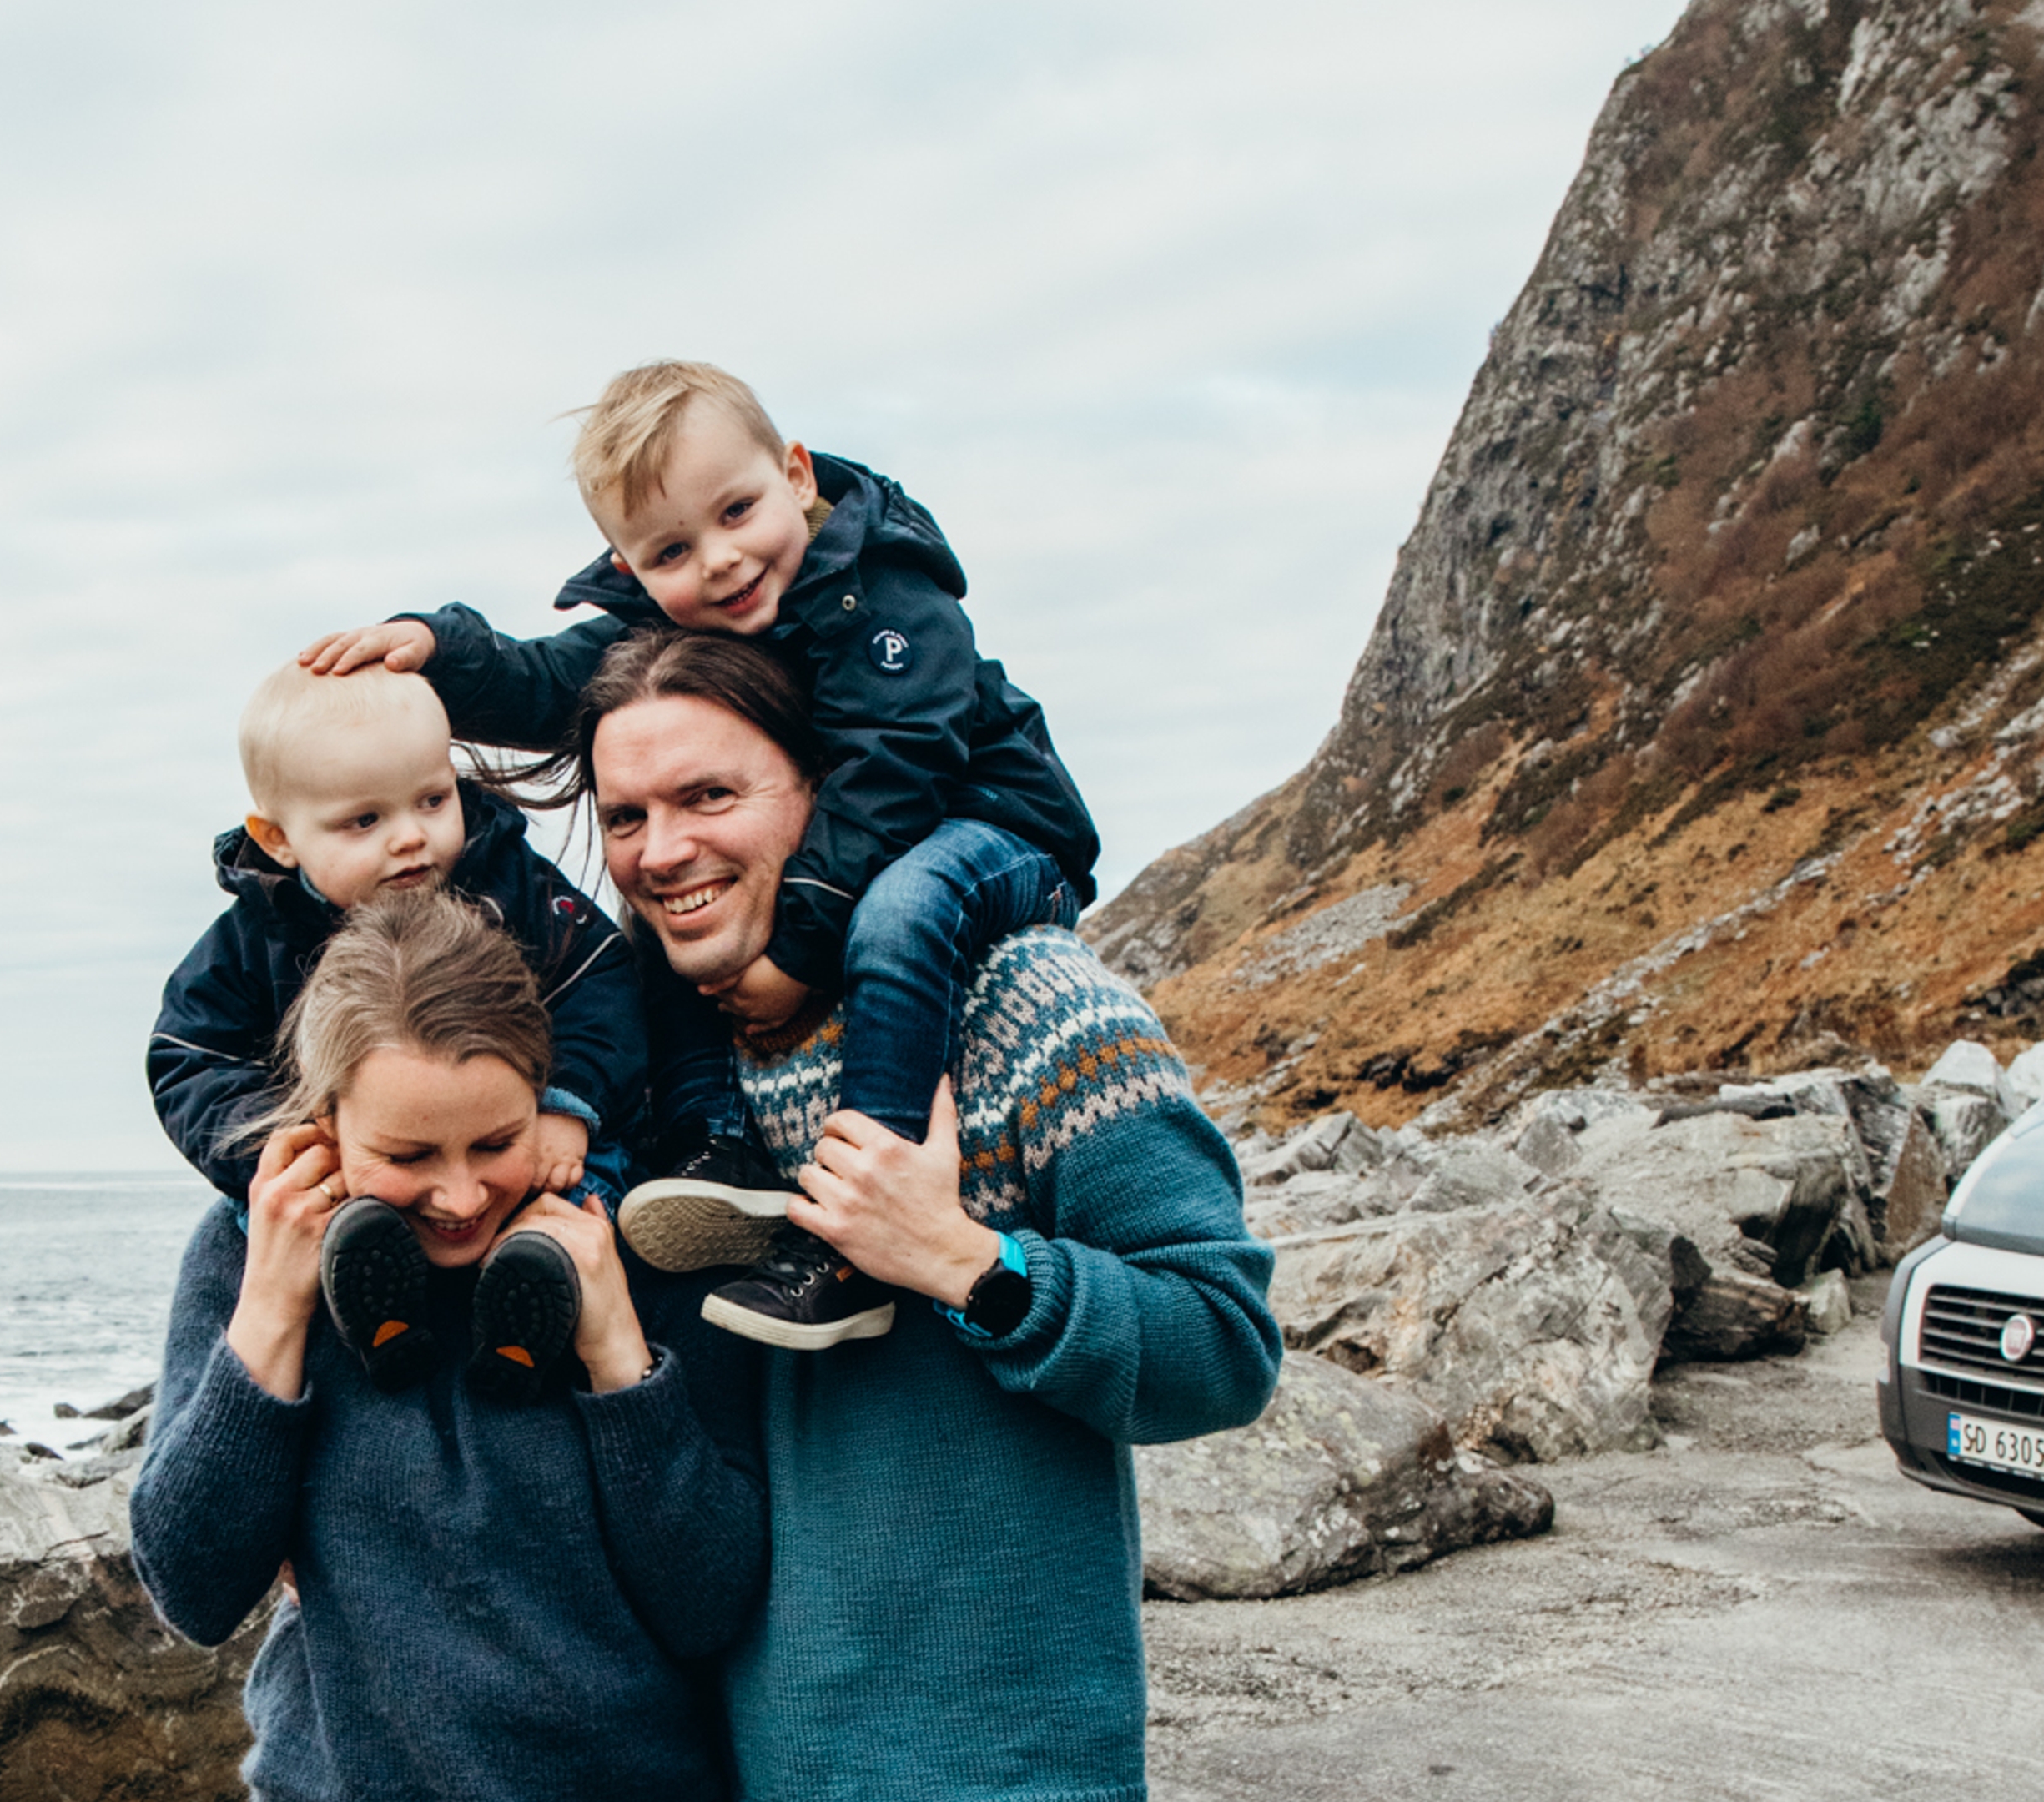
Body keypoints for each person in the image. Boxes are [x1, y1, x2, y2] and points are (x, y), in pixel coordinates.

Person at [571, 627, 1281, 1802]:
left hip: (1006, 1766)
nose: (663, 850)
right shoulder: (653, 1079)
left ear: (824, 785)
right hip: (748, 1761)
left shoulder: (1028, 1003)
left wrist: (963, 1262)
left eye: (709, 796)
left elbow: (1224, 1348)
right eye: (627, 815)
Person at [301, 360, 1099, 1352]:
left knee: (903, 907)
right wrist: (437, 647)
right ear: (631, 571)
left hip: (1000, 824)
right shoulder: (693, 621)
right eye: (674, 548)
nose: (719, 562)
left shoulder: (883, 598)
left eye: (736, 512)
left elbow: (898, 766)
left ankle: (864, 1205)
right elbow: (548, 678)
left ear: (798, 475)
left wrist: (798, 955)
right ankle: (716, 1145)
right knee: (661, 943)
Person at [128, 890, 768, 1801]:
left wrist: (618, 1354)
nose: (462, 1197)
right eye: (409, 1156)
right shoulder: (248, 1252)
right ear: (326, 1123)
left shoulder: (638, 1242)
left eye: (497, 1142)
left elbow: (710, 1605)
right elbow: (193, 1593)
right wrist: (272, 1307)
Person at [143, 660, 644, 1400]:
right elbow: (189, 1056)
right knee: (281, 1215)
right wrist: (285, 1151)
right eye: (366, 820)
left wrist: (563, 1105)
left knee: (591, 1179)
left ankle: (536, 1297)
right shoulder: (255, 936)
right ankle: (369, 1308)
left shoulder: (512, 881)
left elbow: (603, 984)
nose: (412, 838)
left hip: (546, 1163)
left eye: (434, 800)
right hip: (341, 1189)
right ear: (278, 838)